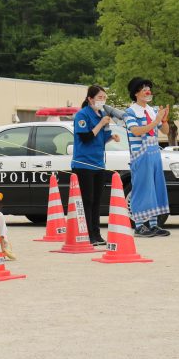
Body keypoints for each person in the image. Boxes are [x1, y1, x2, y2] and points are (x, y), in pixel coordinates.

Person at [72, 85, 121, 246]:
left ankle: (97, 234)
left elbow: (100, 138)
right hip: (83, 164)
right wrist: (101, 123)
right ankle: (88, 235)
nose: (102, 101)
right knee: (87, 200)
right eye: (99, 98)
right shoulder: (82, 115)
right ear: (90, 99)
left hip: (99, 164)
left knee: (97, 201)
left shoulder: (102, 114)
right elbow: (86, 137)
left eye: (104, 98)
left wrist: (111, 137)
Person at [123, 77, 171, 238]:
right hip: (140, 155)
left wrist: (163, 120)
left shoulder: (152, 110)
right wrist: (156, 120)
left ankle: (153, 224)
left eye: (148, 88)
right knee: (141, 189)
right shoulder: (130, 112)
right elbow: (136, 131)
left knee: (155, 189)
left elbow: (165, 131)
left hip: (154, 153)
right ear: (136, 93)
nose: (147, 91)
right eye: (143, 88)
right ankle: (138, 225)